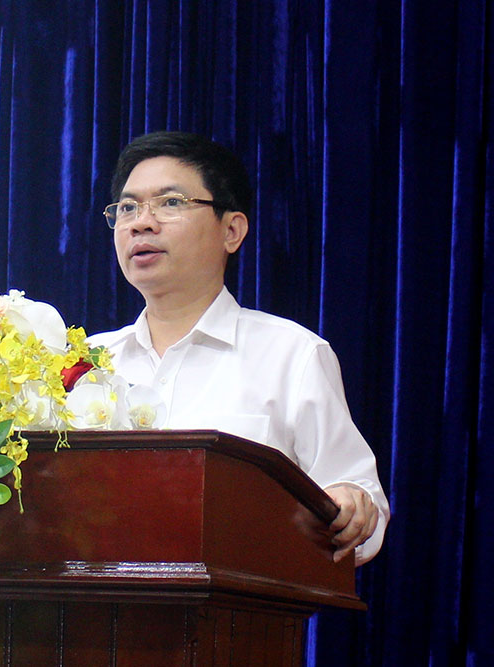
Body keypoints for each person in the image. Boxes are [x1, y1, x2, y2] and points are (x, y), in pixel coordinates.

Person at [85, 131, 389, 564]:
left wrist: (350, 503)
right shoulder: (84, 362)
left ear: (231, 230)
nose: (141, 222)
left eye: (170, 203)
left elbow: (358, 500)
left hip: (240, 599)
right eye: (128, 207)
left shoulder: (292, 355)